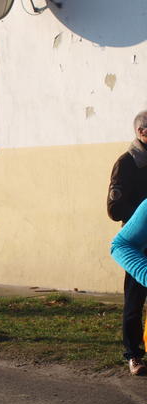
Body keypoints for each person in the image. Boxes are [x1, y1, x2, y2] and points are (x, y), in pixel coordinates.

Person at [107, 110, 147, 375]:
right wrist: (142, 214)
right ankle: (133, 355)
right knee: (134, 301)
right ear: (141, 132)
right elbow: (114, 209)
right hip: (137, 242)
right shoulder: (127, 162)